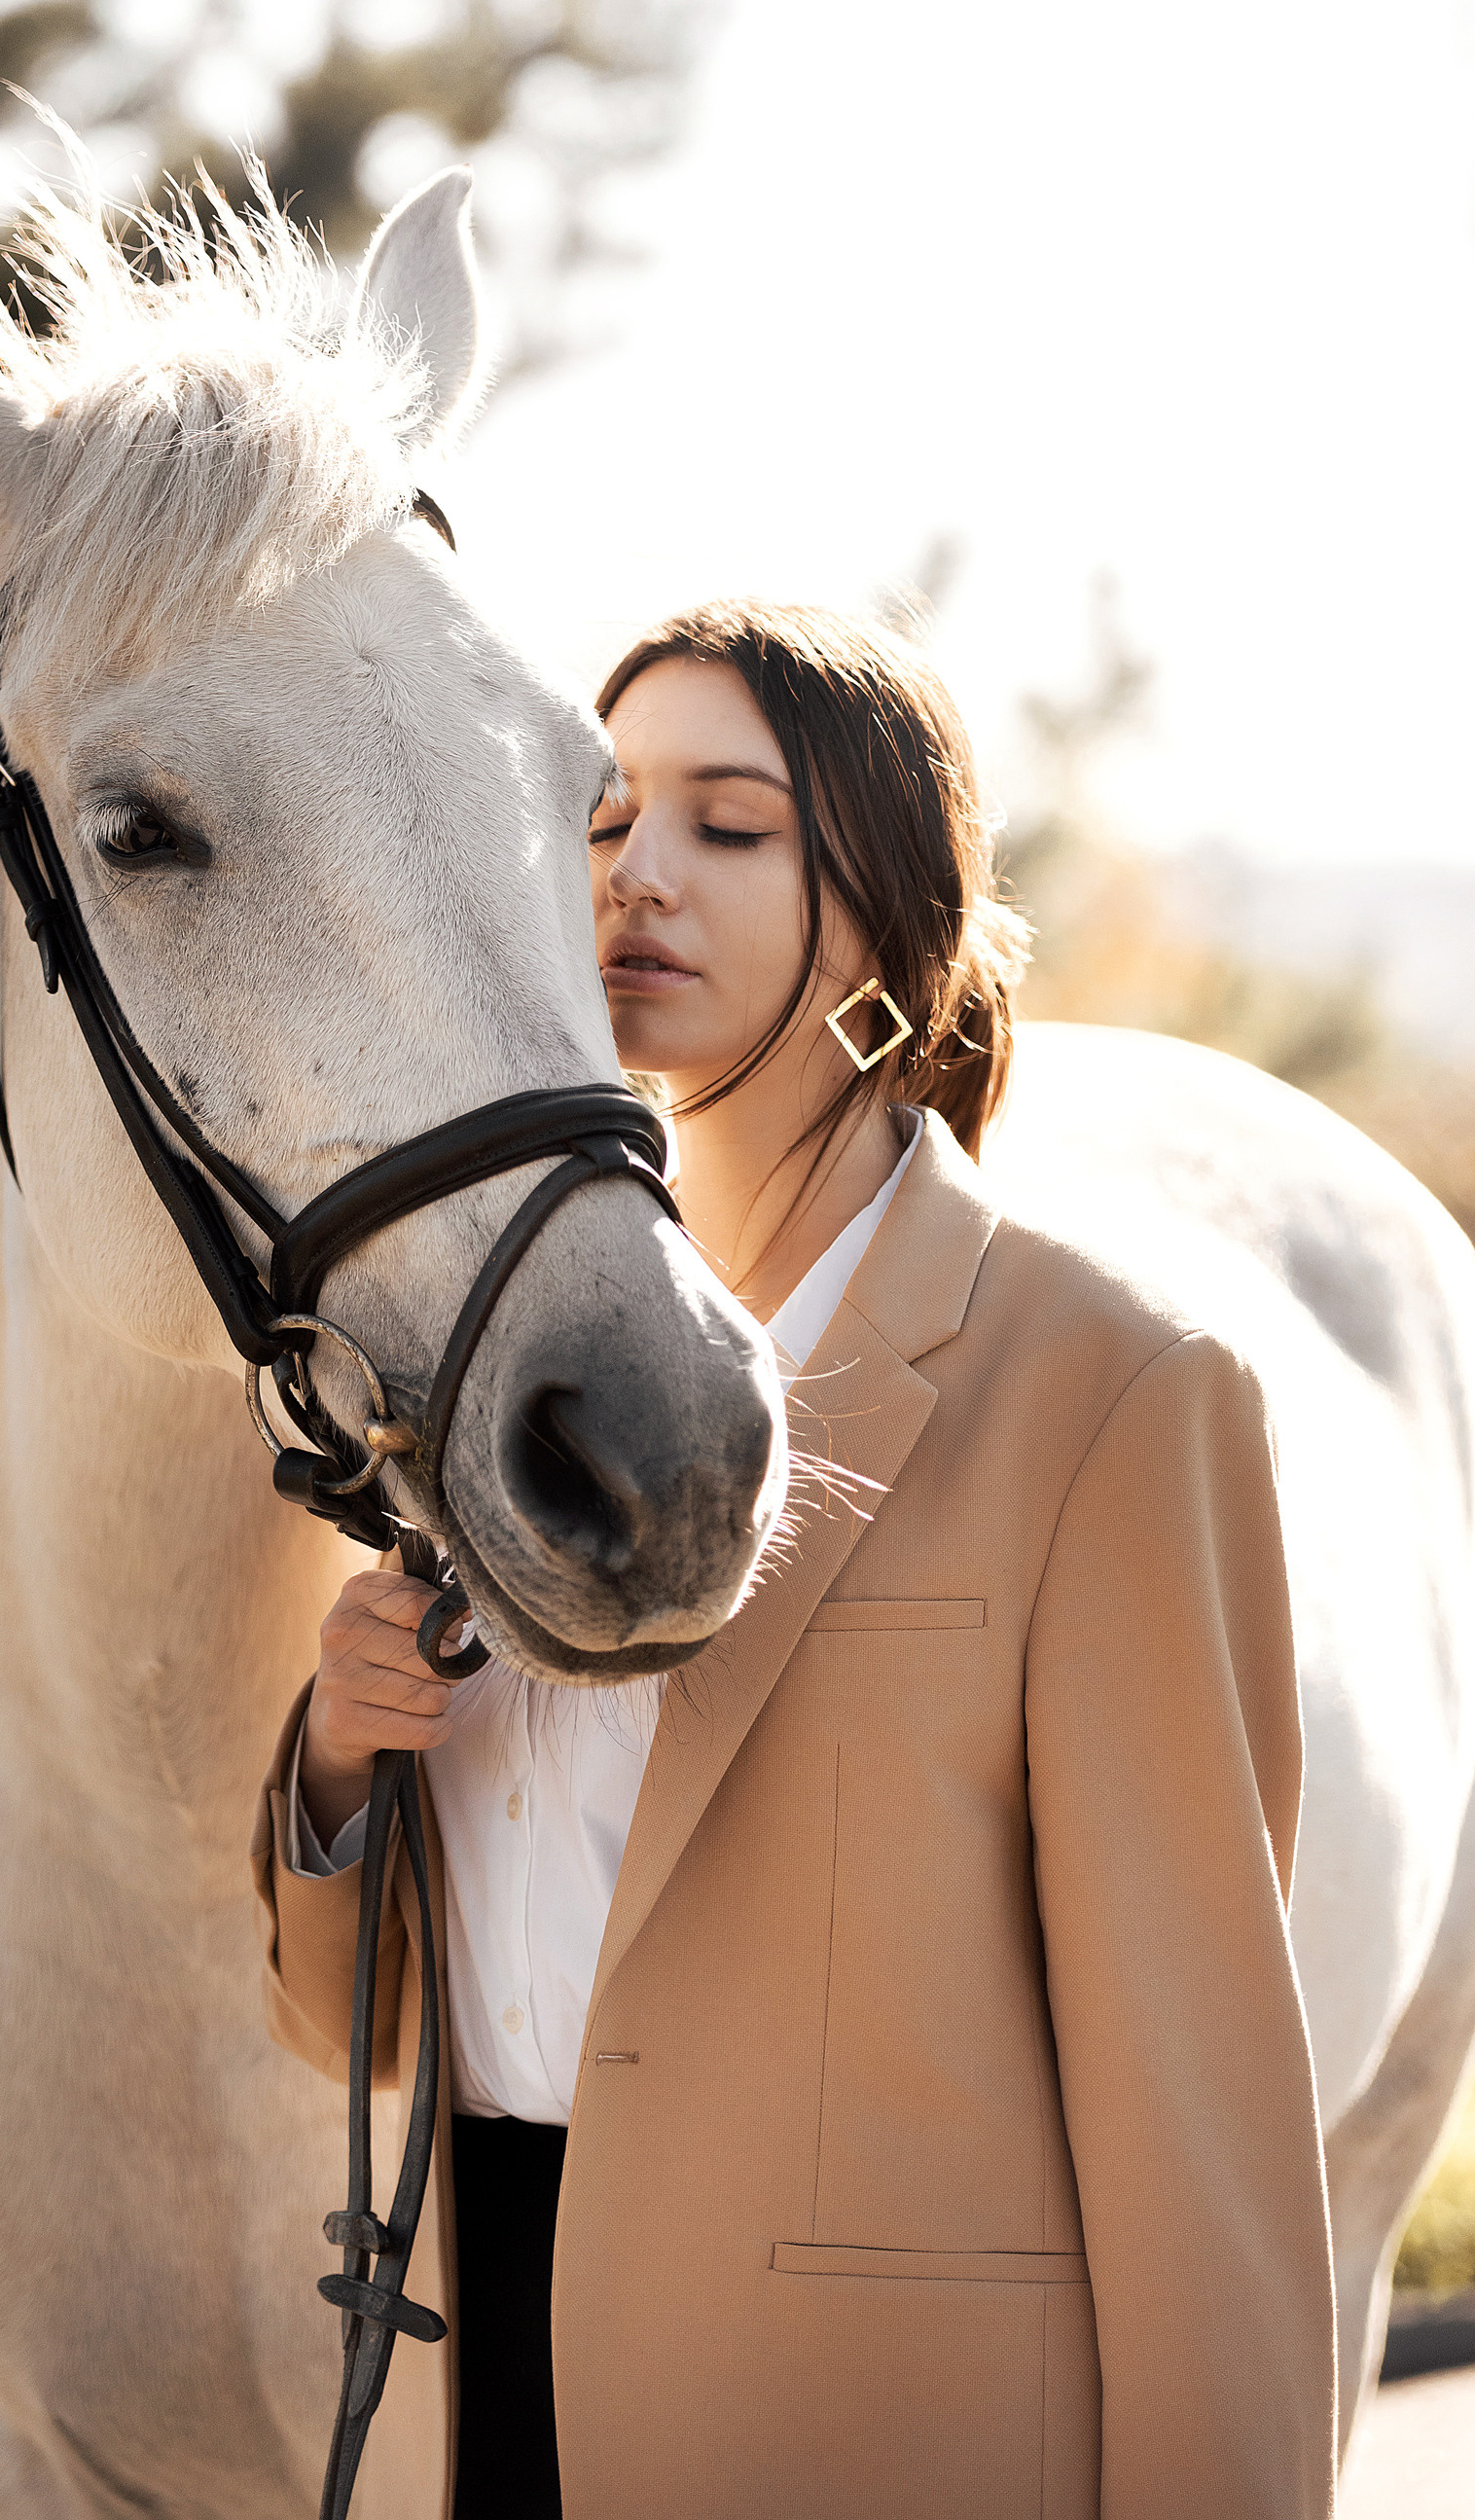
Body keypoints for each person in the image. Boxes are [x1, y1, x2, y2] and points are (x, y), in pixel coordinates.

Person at [251, 599, 1338, 2520]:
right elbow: (378, 2013)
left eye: (727, 828)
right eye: (599, 821)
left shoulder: (1113, 1388)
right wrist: (340, 1769)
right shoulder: (519, 1368)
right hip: (473, 2375)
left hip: (874, 2438)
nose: (637, 873)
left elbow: (1205, 2133)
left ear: (889, 925)